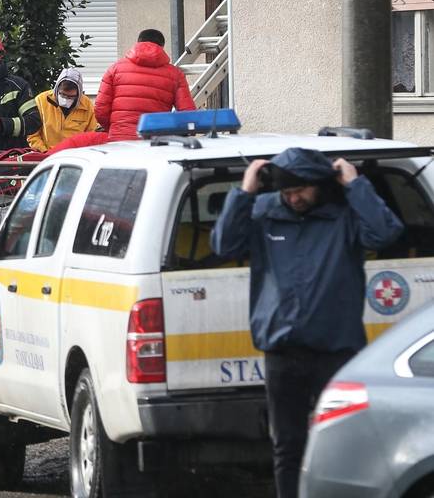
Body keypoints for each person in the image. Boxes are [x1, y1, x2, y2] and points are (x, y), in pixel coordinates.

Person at [210, 147, 404, 498]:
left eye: (300, 190)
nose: (293, 197)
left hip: (336, 350)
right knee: (288, 447)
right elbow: (224, 245)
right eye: (287, 191)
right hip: (282, 351)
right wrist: (244, 191)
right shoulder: (264, 211)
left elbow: (385, 234)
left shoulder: (345, 215)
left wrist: (356, 185)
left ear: (320, 185)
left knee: (344, 444)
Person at [94, 28, 196, 142]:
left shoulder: (115, 69)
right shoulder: (175, 74)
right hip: (155, 140)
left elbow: (100, 109)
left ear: (138, 42)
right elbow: (188, 114)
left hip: (120, 138)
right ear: (162, 47)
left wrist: (114, 127)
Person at [27, 67, 98, 152]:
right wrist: (44, 152)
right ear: (56, 89)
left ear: (78, 95)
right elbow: (32, 134)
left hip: (75, 155)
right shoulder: (41, 101)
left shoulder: (87, 105)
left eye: (71, 97)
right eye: (63, 95)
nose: (66, 99)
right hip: (46, 154)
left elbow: (91, 136)